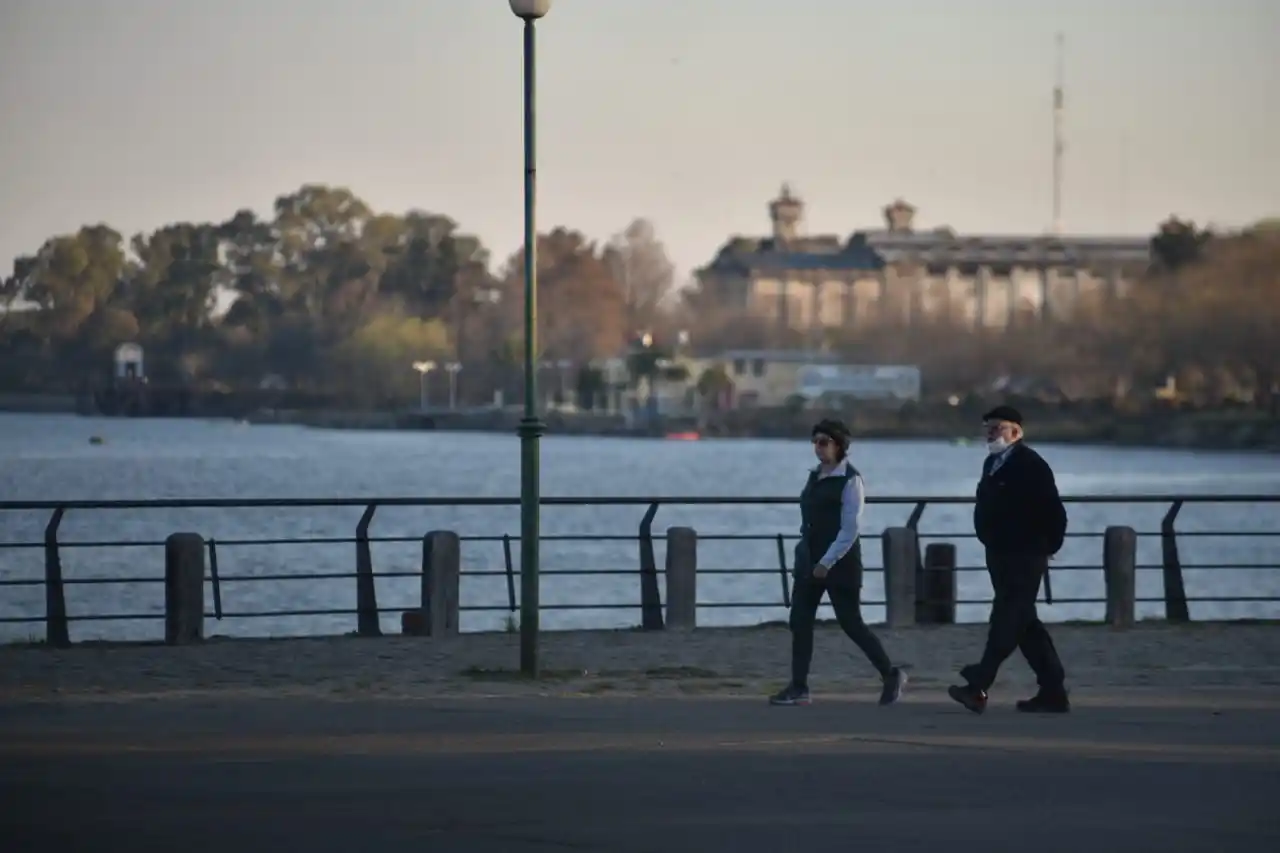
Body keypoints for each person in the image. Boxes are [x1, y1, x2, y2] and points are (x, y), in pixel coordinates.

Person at [770, 418, 907, 707]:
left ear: (840, 446)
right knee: (800, 621)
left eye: (824, 442)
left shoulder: (850, 481)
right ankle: (799, 686)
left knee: (851, 623)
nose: (818, 449)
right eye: (815, 442)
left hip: (839, 563)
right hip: (809, 560)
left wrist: (827, 561)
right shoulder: (815, 476)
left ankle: (891, 674)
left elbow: (849, 529)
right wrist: (807, 557)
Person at [948, 405, 1070, 714]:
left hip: (1026, 555)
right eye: (988, 428)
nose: (991, 434)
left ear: (1017, 432)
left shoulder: (1031, 464)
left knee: (1005, 617)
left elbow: (1054, 511)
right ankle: (1053, 688)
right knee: (1024, 622)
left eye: (998, 428)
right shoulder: (992, 463)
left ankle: (980, 682)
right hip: (1000, 555)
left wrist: (1047, 546)